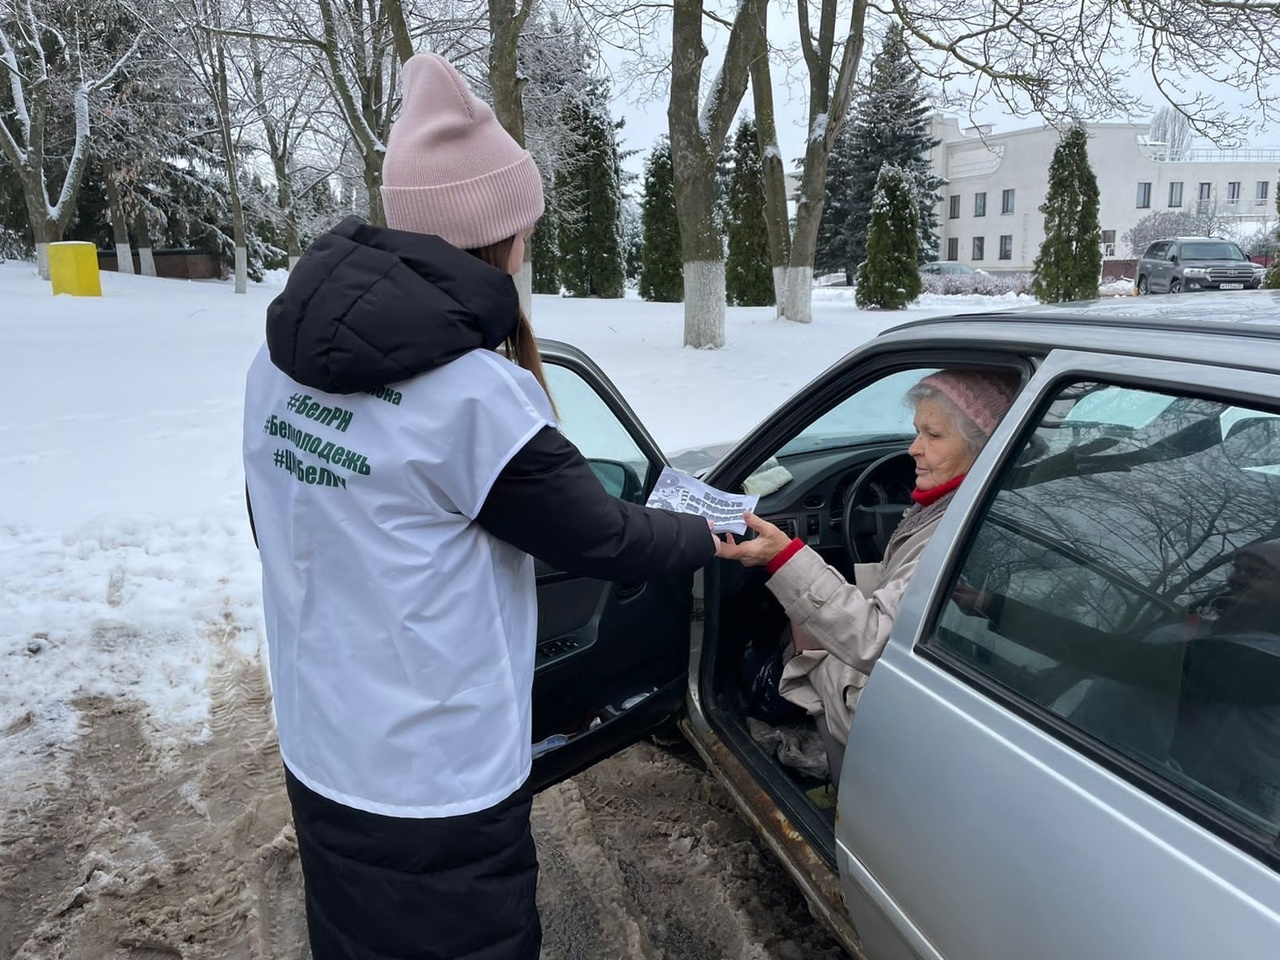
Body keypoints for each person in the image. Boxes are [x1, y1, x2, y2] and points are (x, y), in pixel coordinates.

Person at [241, 53, 716, 960]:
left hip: (320, 742)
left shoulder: (276, 367)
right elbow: (600, 534)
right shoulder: (475, 397)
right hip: (436, 780)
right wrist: (707, 536)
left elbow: (278, 525)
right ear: (502, 233)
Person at [716, 369, 1021, 776]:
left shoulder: (951, 530)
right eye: (917, 432)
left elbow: (871, 641)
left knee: (807, 641)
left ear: (984, 447)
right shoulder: (978, 503)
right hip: (959, 679)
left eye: (933, 435)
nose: (914, 449)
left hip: (897, 708)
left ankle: (765, 694)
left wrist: (784, 556)